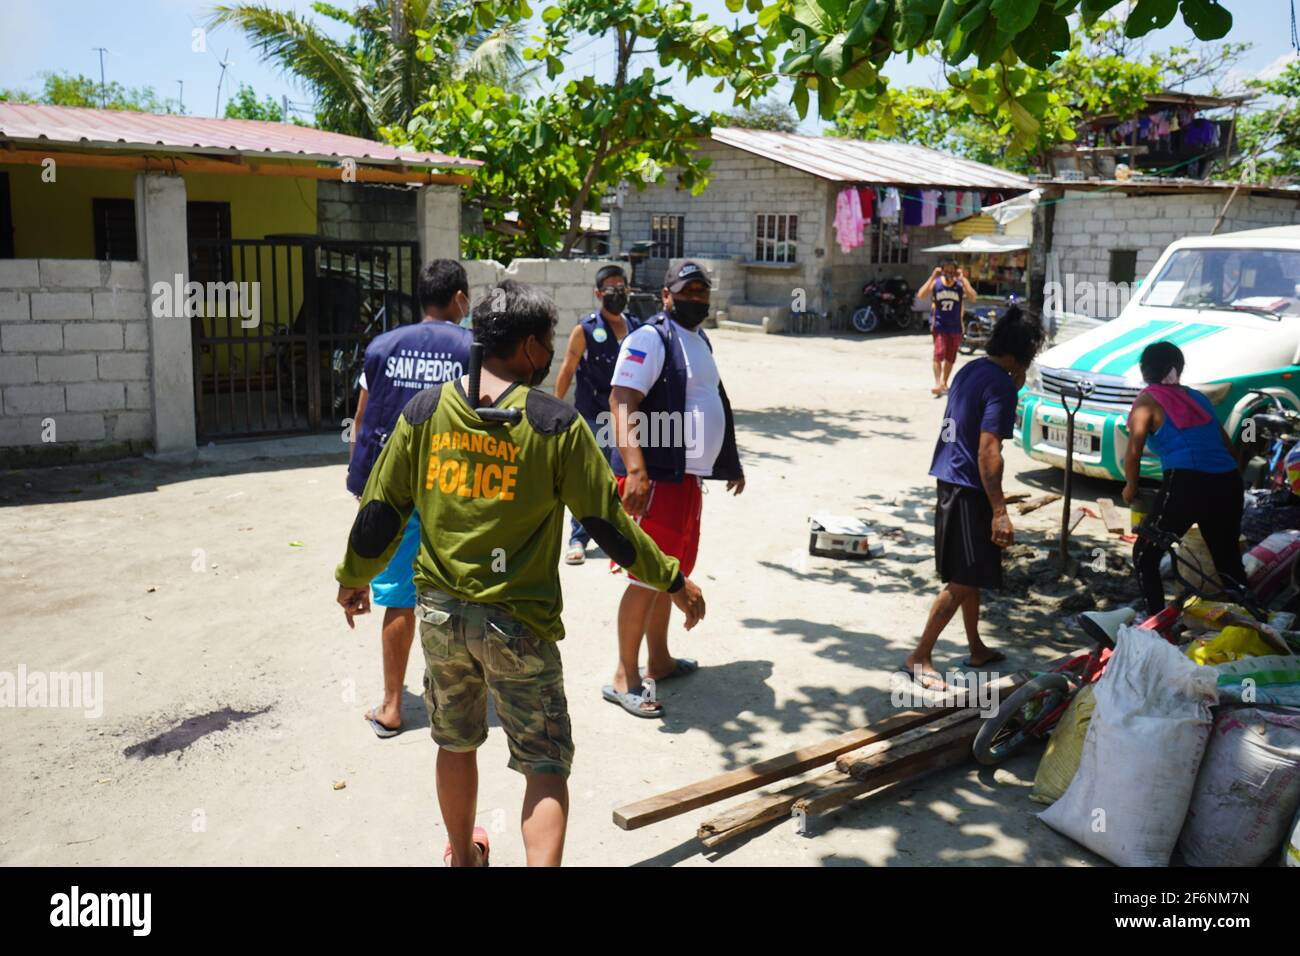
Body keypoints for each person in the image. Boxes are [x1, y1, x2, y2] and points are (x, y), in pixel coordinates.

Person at [334, 280, 706, 866]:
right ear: (531, 346)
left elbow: (380, 511)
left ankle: (462, 856)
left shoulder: (426, 411)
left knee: (455, 743)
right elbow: (607, 525)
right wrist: (673, 579)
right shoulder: (555, 424)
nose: (551, 355)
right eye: (548, 344)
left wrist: (354, 577)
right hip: (519, 624)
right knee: (544, 763)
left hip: (439, 617)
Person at [604, 260, 744, 718]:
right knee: (645, 575)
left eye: (702, 292)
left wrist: (731, 462)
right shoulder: (650, 338)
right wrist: (637, 469)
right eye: (687, 292)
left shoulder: (699, 339)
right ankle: (624, 675)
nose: (696, 299)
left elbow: (714, 399)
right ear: (666, 296)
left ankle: (658, 660)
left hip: (685, 478)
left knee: (670, 572)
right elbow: (622, 400)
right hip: (656, 478)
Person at [347, 259, 473, 738]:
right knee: (458, 595)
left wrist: (363, 485)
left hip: (394, 491)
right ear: (459, 298)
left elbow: (363, 420)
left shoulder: (383, 346)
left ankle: (393, 706)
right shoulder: (471, 348)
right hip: (454, 491)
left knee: (399, 598)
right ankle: (460, 698)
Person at [903, 306, 1045, 691]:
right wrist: (1000, 510)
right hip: (969, 486)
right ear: (1024, 352)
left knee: (973, 572)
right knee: (964, 577)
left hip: (950, 477)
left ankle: (976, 646)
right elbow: (988, 450)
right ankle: (920, 656)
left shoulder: (971, 370)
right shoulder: (999, 384)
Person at [1124, 340, 1248, 614]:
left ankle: (1155, 626)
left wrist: (1130, 486)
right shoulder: (1197, 397)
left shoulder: (1147, 400)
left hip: (1187, 483)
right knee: (1227, 560)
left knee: (1145, 555)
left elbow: (1133, 453)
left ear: (1145, 370)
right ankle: (1255, 621)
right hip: (1227, 481)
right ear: (1178, 369)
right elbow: (1226, 444)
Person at [554, 264, 641, 564]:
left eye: (622, 286)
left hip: (626, 419)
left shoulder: (637, 328)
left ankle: (621, 536)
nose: (617, 292)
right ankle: (578, 538)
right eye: (611, 287)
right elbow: (567, 368)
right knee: (589, 479)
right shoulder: (586, 329)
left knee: (623, 476)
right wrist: (555, 407)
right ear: (598, 293)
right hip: (593, 415)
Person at [917, 259, 977, 397]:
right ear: (942, 270)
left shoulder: (959, 285)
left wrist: (964, 280)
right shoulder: (936, 283)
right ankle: (937, 383)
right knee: (939, 353)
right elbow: (921, 295)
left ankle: (944, 382)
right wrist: (932, 276)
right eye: (946, 270)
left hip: (955, 326)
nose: (949, 273)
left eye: (952, 270)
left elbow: (973, 297)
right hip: (939, 324)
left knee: (951, 356)